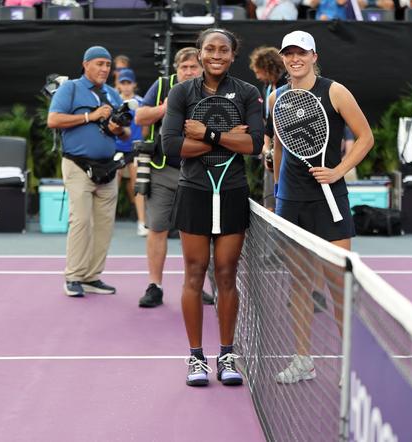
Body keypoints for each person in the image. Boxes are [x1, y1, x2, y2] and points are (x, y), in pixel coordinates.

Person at [268, 31, 373, 383]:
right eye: (289, 53)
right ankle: (303, 360)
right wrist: (278, 189)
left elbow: (365, 137)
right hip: (291, 202)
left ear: (314, 55)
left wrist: (338, 171)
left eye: (301, 52)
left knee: (337, 282)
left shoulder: (334, 91)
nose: (294, 58)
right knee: (299, 283)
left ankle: (349, 363)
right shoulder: (277, 97)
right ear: (283, 58)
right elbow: (280, 149)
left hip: (331, 200)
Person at [162, 28, 264, 387]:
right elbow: (172, 145)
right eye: (210, 49)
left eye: (223, 49)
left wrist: (206, 134)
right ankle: (195, 358)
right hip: (194, 191)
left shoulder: (248, 92)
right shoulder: (180, 92)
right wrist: (227, 138)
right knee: (194, 271)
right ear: (201, 53)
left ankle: (227, 354)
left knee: (225, 273)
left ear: (233, 55)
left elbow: (252, 144)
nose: (216, 54)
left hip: (233, 190)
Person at [47, 46, 130, 298]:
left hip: (107, 167)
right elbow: (53, 120)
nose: (105, 69)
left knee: (104, 224)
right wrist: (90, 117)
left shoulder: (113, 94)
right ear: (86, 65)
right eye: (99, 64)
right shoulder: (70, 88)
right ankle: (73, 276)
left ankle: (92, 276)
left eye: (107, 65)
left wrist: (117, 128)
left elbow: (125, 133)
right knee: (81, 221)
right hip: (77, 165)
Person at [134, 47, 206, 308]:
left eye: (193, 67)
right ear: (176, 69)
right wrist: (164, 108)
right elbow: (140, 116)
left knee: (198, 230)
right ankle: (155, 286)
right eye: (184, 67)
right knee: (157, 227)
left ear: (202, 68)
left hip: (198, 169)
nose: (189, 71)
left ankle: (196, 284)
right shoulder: (163, 85)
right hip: (162, 168)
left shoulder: (211, 88)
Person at [249, 46, 287, 212]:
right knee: (269, 195)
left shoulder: (286, 85)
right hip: (270, 146)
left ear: (268, 68)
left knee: (279, 195)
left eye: (259, 71)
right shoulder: (266, 88)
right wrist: (266, 150)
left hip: (284, 148)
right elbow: (268, 121)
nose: (257, 76)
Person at [114, 68, 147, 237]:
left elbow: (146, 126)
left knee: (138, 185)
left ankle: (142, 223)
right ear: (118, 85)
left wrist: (139, 141)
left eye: (129, 83)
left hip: (135, 149)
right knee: (112, 184)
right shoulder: (113, 102)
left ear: (134, 84)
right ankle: (107, 221)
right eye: (123, 83)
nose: (126, 86)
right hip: (117, 149)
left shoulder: (141, 102)